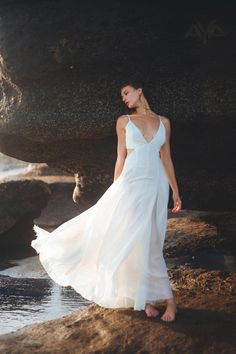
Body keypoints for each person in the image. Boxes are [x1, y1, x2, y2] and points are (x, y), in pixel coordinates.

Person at [31, 81, 181, 323]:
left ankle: (150, 300)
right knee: (132, 239)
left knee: (152, 241)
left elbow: (167, 159)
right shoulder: (124, 122)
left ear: (139, 90)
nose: (124, 98)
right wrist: (115, 188)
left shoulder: (164, 122)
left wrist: (175, 190)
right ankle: (159, 302)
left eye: (126, 93)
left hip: (156, 186)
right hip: (131, 185)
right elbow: (120, 158)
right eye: (122, 95)